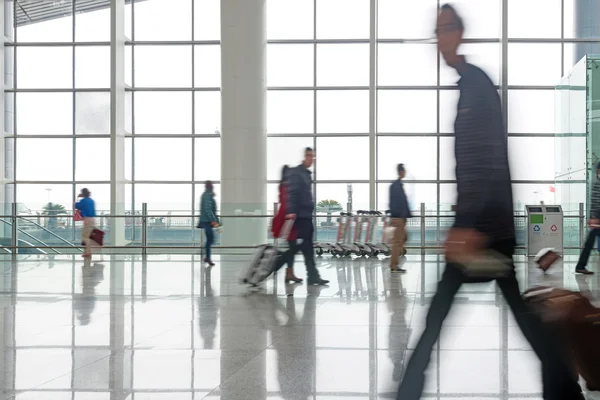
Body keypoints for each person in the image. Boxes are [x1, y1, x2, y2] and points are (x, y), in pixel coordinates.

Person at [397, 5, 584, 400]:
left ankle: (406, 394)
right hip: (484, 228)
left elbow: (486, 159)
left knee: (442, 318)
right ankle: (565, 390)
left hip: (483, 232)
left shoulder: (476, 86)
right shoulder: (469, 85)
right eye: (436, 30)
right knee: (498, 314)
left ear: (459, 33)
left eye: (445, 29)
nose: (439, 38)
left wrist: (466, 226)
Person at [286, 147, 329, 286]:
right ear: (304, 156)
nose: (312, 159)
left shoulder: (306, 174)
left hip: (306, 216)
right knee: (297, 248)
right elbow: (292, 193)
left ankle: (313, 276)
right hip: (300, 218)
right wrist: (292, 211)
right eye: (310, 156)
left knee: (308, 249)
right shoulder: (297, 173)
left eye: (314, 157)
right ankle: (278, 264)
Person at [271, 165, 303, 284]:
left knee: (293, 247)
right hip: (288, 221)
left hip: (288, 221)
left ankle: (289, 273)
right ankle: (279, 266)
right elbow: (287, 203)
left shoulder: (285, 185)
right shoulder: (286, 186)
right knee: (293, 247)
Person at [574, 162, 600, 274]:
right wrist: (593, 217)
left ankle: (580, 266)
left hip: (597, 218)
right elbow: (595, 201)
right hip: (598, 218)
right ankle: (580, 266)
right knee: (590, 241)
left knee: (590, 241)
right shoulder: (597, 184)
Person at [389, 163, 411, 273]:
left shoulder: (398, 185)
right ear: (401, 172)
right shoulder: (396, 185)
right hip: (398, 218)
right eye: (404, 170)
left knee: (404, 238)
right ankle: (394, 265)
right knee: (397, 242)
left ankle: (395, 257)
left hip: (400, 218)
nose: (405, 172)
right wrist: (399, 217)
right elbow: (397, 203)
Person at [199, 181, 219, 266]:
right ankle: (207, 256)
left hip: (207, 221)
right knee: (211, 239)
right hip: (207, 221)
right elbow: (208, 209)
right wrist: (213, 220)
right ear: (210, 186)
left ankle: (207, 257)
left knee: (210, 239)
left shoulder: (207, 195)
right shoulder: (207, 195)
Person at [75, 188, 96, 259]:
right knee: (88, 236)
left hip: (87, 219)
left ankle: (88, 251)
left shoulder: (83, 201)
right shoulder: (91, 201)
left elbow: (76, 206)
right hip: (93, 219)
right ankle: (87, 251)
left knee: (85, 236)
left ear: (83, 194)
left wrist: (78, 198)